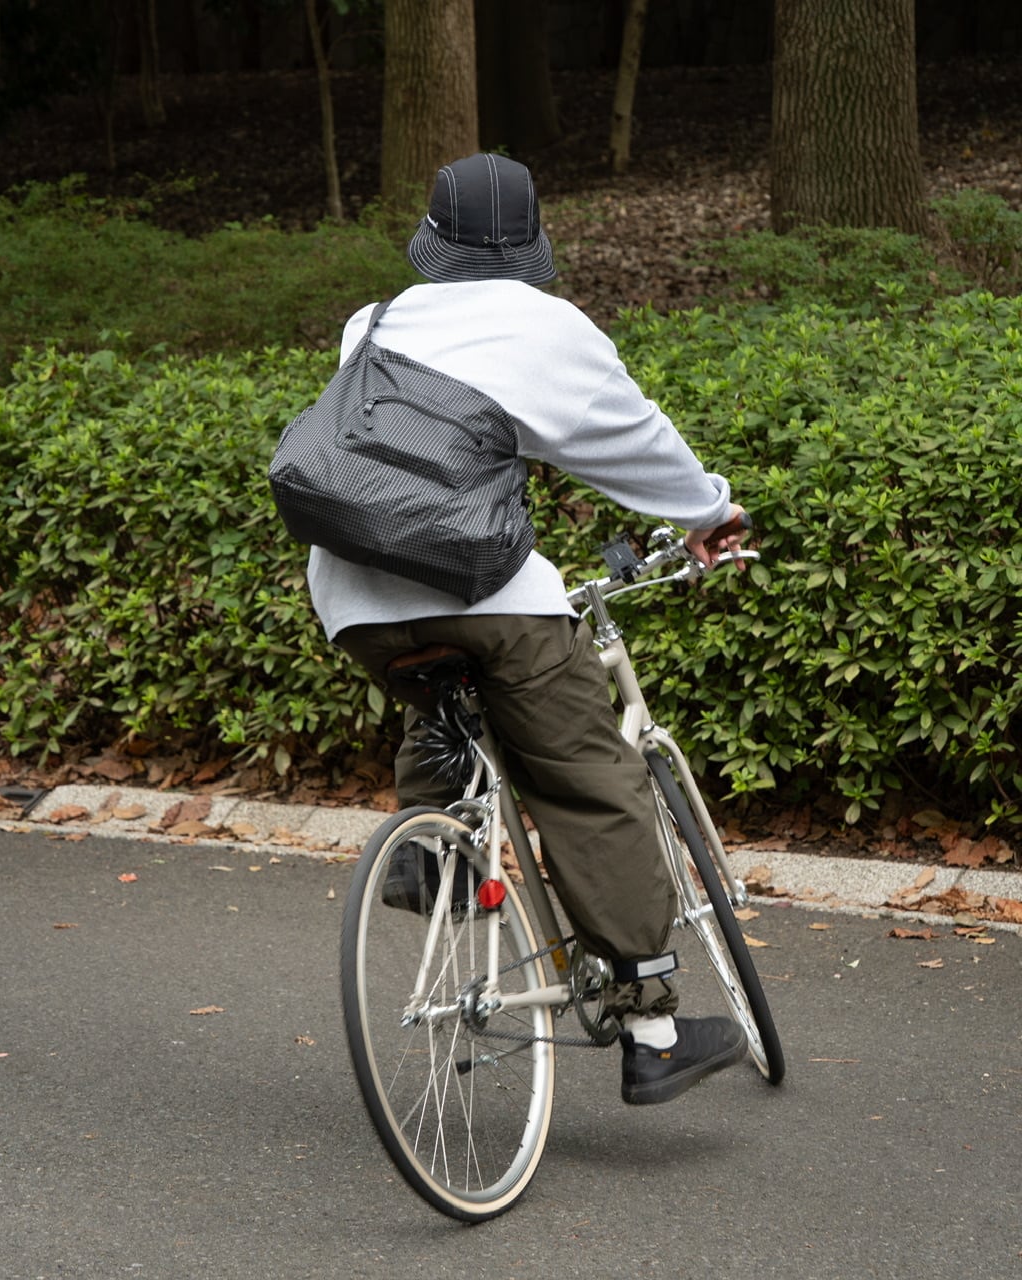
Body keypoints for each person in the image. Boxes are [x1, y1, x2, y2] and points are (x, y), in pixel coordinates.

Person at [308, 152, 748, 1106]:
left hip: (352, 603)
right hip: (486, 593)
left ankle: (436, 846)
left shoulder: (372, 322)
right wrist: (708, 514)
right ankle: (652, 1024)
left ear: (434, 238)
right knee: (589, 778)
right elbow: (630, 440)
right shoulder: (550, 327)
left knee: (443, 693)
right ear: (533, 241)